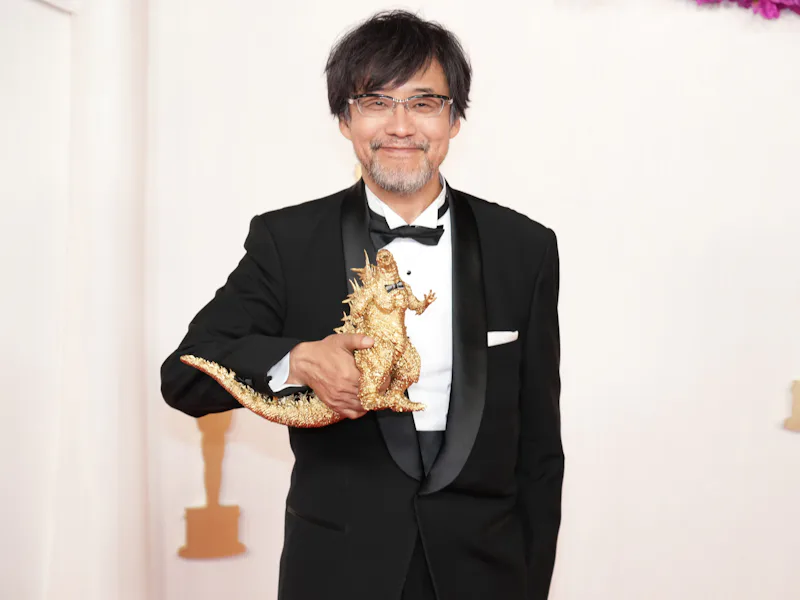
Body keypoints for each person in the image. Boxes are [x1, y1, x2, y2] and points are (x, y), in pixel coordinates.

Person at [161, 10, 563, 600]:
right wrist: (295, 360)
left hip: (487, 574)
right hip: (336, 572)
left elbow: (540, 451)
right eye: (376, 101)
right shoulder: (286, 240)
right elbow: (184, 376)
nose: (401, 125)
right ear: (345, 118)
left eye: (424, 103)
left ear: (454, 119)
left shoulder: (525, 247)